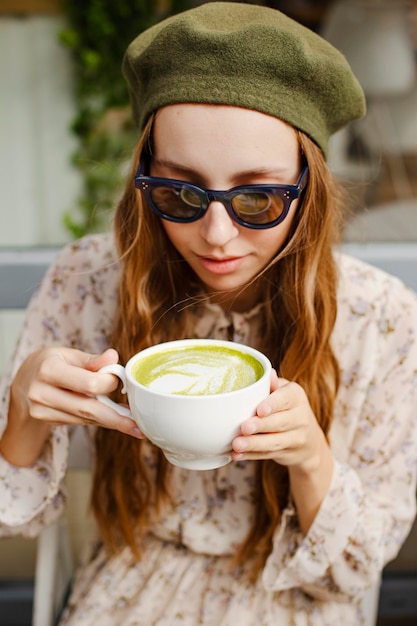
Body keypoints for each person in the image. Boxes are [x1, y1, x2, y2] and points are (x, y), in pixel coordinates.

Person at [1, 2, 416, 624]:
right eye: (180, 192)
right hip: (130, 584)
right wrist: (22, 413)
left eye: (257, 197)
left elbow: (349, 575)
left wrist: (310, 459)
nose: (216, 236)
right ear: (144, 180)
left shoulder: (382, 322)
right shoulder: (87, 282)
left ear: (311, 189)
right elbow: (14, 516)